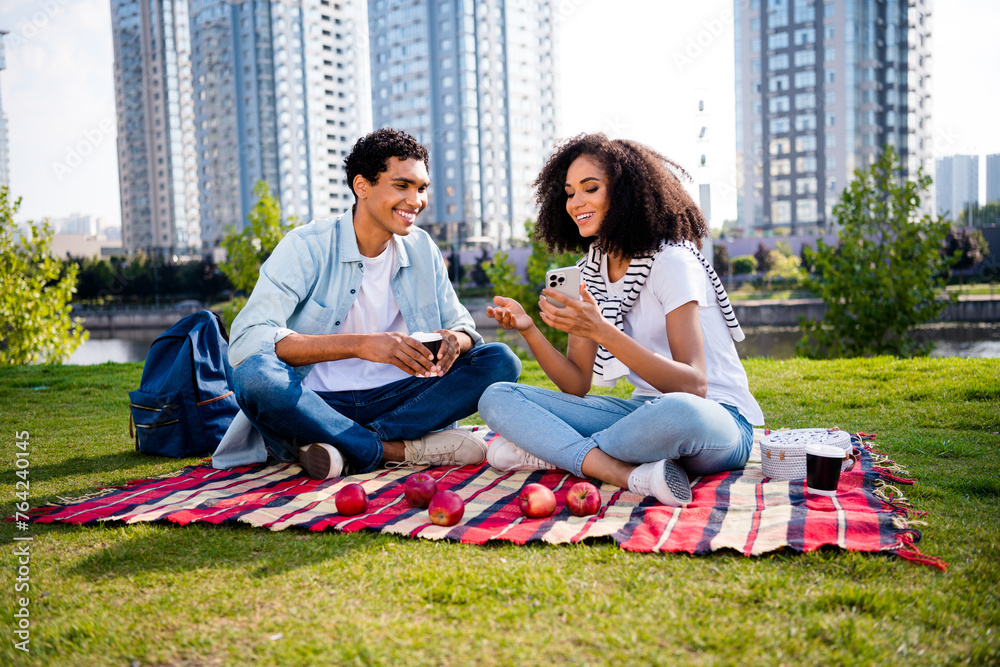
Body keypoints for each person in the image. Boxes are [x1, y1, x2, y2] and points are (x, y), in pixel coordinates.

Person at [477, 134, 764, 507]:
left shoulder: (672, 261)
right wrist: (529, 329)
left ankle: (552, 451)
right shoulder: (590, 273)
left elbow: (693, 385)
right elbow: (577, 384)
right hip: (640, 416)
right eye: (569, 192)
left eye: (590, 188)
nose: (575, 202)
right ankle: (616, 470)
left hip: (714, 419)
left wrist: (601, 330)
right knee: (497, 397)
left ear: (626, 193)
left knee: (677, 412)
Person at [227, 128, 521, 479]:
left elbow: (466, 329)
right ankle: (394, 450)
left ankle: (345, 446)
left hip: (403, 402)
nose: (416, 200)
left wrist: (453, 341)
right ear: (362, 186)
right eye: (402, 186)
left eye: (421, 187)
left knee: (500, 361)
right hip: (315, 402)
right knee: (254, 376)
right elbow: (246, 341)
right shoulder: (307, 246)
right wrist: (362, 345)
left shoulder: (423, 248)